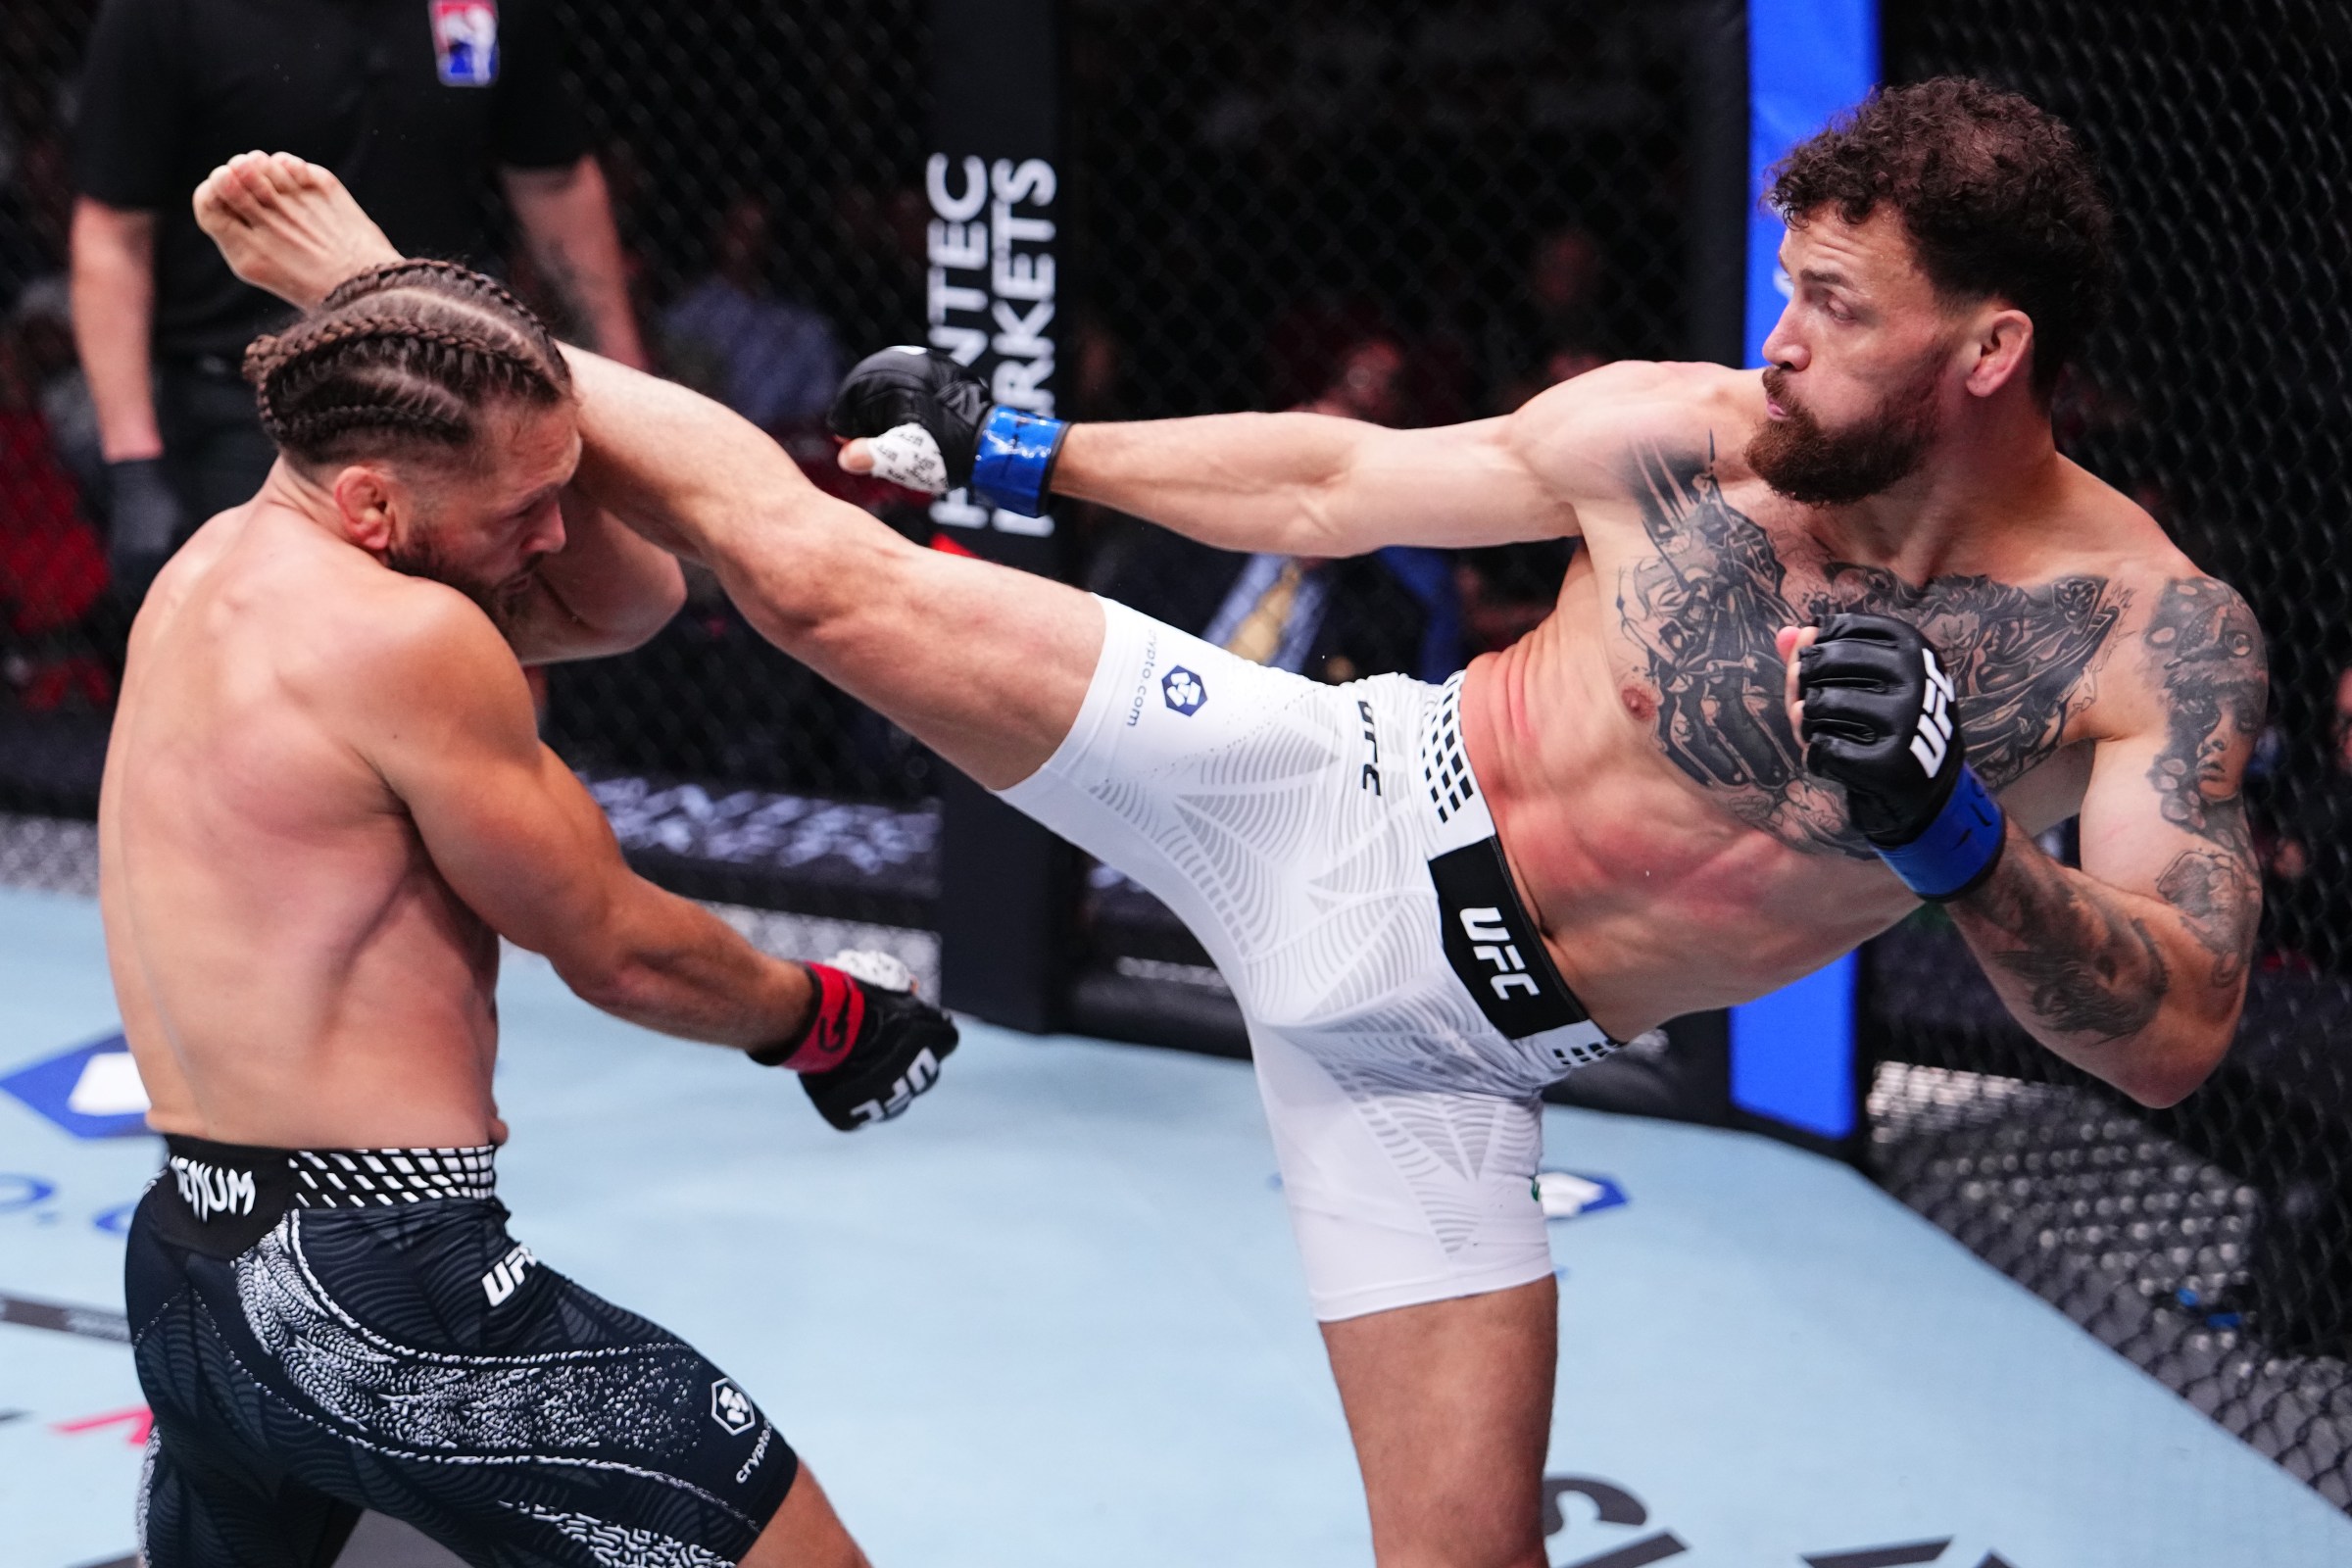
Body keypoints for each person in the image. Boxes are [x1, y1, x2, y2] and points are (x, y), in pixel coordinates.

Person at [211, 74, 2266, 1567]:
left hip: (1457, 1056)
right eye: (1785, 281)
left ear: (1989, 349)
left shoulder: (2146, 643)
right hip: (1333, 799)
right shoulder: (1690, 438)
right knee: (831, 573)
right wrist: (1031, 445)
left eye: (1832, 299)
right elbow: (1331, 487)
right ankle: (415, 299)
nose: (1780, 332)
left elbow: (2169, 1034)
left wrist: (1957, 846)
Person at [116, 163, 956, 1568]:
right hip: (382, 1292)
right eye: (524, 512)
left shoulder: (212, 574)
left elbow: (634, 596)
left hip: (190, 1277)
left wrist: (386, 297)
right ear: (377, 509)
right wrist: (828, 1021)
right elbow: (618, 947)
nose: (557, 533)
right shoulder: (409, 641)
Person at [70, 0, 650, 596]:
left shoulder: (481, 7)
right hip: (245, 410)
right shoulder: (165, 14)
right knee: (283, 651)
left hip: (448, 397)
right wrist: (133, 461)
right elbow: (114, 232)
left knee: (484, 643)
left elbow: (554, 180)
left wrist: (632, 390)